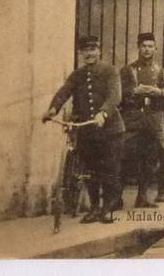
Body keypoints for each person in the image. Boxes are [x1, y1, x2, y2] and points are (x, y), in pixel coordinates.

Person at [42, 35, 125, 224]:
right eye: (85, 51)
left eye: (93, 50)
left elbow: (115, 95)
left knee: (110, 171)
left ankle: (107, 209)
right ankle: (95, 208)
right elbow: (64, 92)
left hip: (111, 131)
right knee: (91, 171)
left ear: (99, 51)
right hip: (88, 131)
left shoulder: (110, 71)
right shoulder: (77, 75)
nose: (89, 54)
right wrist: (53, 109)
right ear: (80, 53)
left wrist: (103, 113)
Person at [120, 32, 164, 207]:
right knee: (125, 157)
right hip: (133, 119)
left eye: (150, 46)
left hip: (153, 120)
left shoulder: (159, 71)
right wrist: (134, 92)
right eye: (144, 46)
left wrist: (159, 92)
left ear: (155, 48)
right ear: (138, 48)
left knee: (150, 160)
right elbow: (118, 94)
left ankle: (142, 197)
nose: (147, 49)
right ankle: (116, 199)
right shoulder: (128, 70)